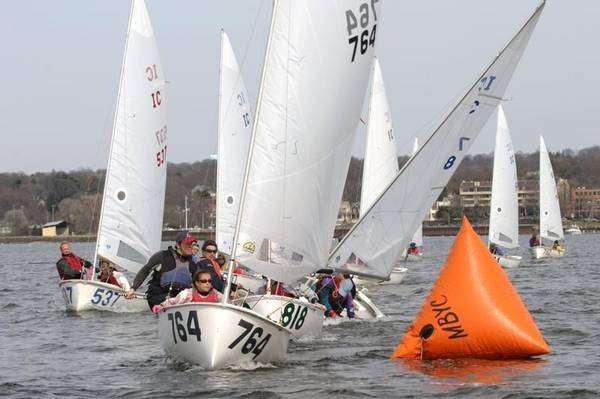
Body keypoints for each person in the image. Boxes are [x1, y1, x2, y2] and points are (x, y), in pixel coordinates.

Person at [125, 231, 198, 309]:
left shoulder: (192, 264)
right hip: (158, 297)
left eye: (191, 244)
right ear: (178, 245)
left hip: (177, 300)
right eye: (187, 244)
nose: (190, 246)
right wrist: (133, 289)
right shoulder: (162, 256)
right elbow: (145, 271)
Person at [152, 270, 223, 313]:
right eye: (203, 281)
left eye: (209, 281)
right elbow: (173, 301)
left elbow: (227, 303)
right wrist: (160, 306)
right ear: (197, 283)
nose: (207, 283)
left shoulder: (216, 294)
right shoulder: (187, 294)